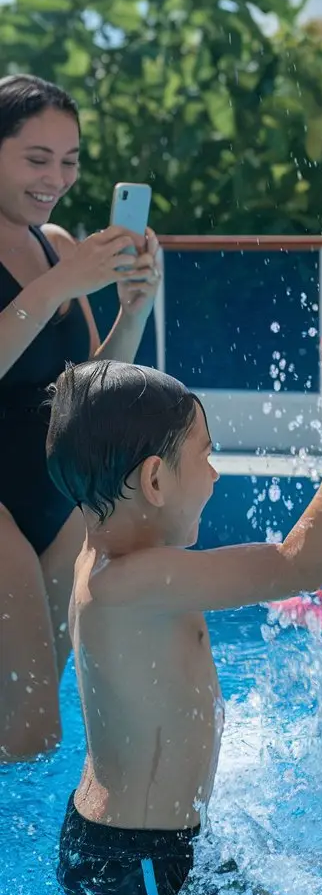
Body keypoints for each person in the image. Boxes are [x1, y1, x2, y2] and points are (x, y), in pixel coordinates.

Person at [47, 340, 322, 895]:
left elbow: (286, 557)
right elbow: (301, 566)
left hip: (134, 842)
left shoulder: (121, 561)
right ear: (153, 479)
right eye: (206, 455)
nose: (217, 473)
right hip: (141, 859)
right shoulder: (133, 583)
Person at [0, 73, 160, 760]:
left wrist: (134, 307)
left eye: (70, 161)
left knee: (29, 738)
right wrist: (62, 283)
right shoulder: (60, 266)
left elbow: (87, 385)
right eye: (37, 159)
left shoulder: (58, 244)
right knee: (34, 729)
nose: (56, 179)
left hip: (55, 499)